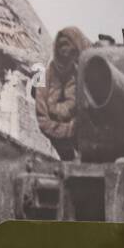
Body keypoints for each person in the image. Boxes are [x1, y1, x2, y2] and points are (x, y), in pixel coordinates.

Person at [35, 26, 90, 160]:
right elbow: (43, 120)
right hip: (60, 138)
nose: (66, 56)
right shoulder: (44, 76)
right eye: (62, 51)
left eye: (72, 54)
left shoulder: (85, 75)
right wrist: (68, 129)